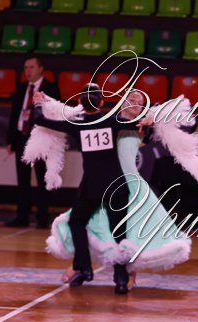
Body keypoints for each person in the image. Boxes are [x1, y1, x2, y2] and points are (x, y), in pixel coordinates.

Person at [41, 89, 198, 285]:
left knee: (131, 230)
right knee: (95, 225)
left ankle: (126, 271)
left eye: (139, 101)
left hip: (130, 185)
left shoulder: (142, 127)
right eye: (131, 97)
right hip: (104, 183)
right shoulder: (109, 120)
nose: (135, 101)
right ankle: (82, 266)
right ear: (123, 101)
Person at [31, 82, 134, 294]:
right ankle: (121, 279)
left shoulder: (76, 124)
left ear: (80, 102)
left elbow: (40, 120)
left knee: (77, 221)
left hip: (92, 187)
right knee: (119, 233)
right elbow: (139, 124)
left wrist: (39, 103)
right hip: (116, 186)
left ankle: (84, 267)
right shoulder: (111, 120)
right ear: (102, 102)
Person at [6, 56, 60, 227]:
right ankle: (22, 216)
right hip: (22, 137)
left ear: (41, 69)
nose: (28, 71)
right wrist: (11, 140)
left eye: (31, 67)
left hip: (41, 138)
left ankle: (42, 217)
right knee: (22, 179)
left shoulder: (50, 88)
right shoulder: (21, 87)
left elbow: (55, 114)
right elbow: (15, 115)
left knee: (42, 178)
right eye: (25, 67)